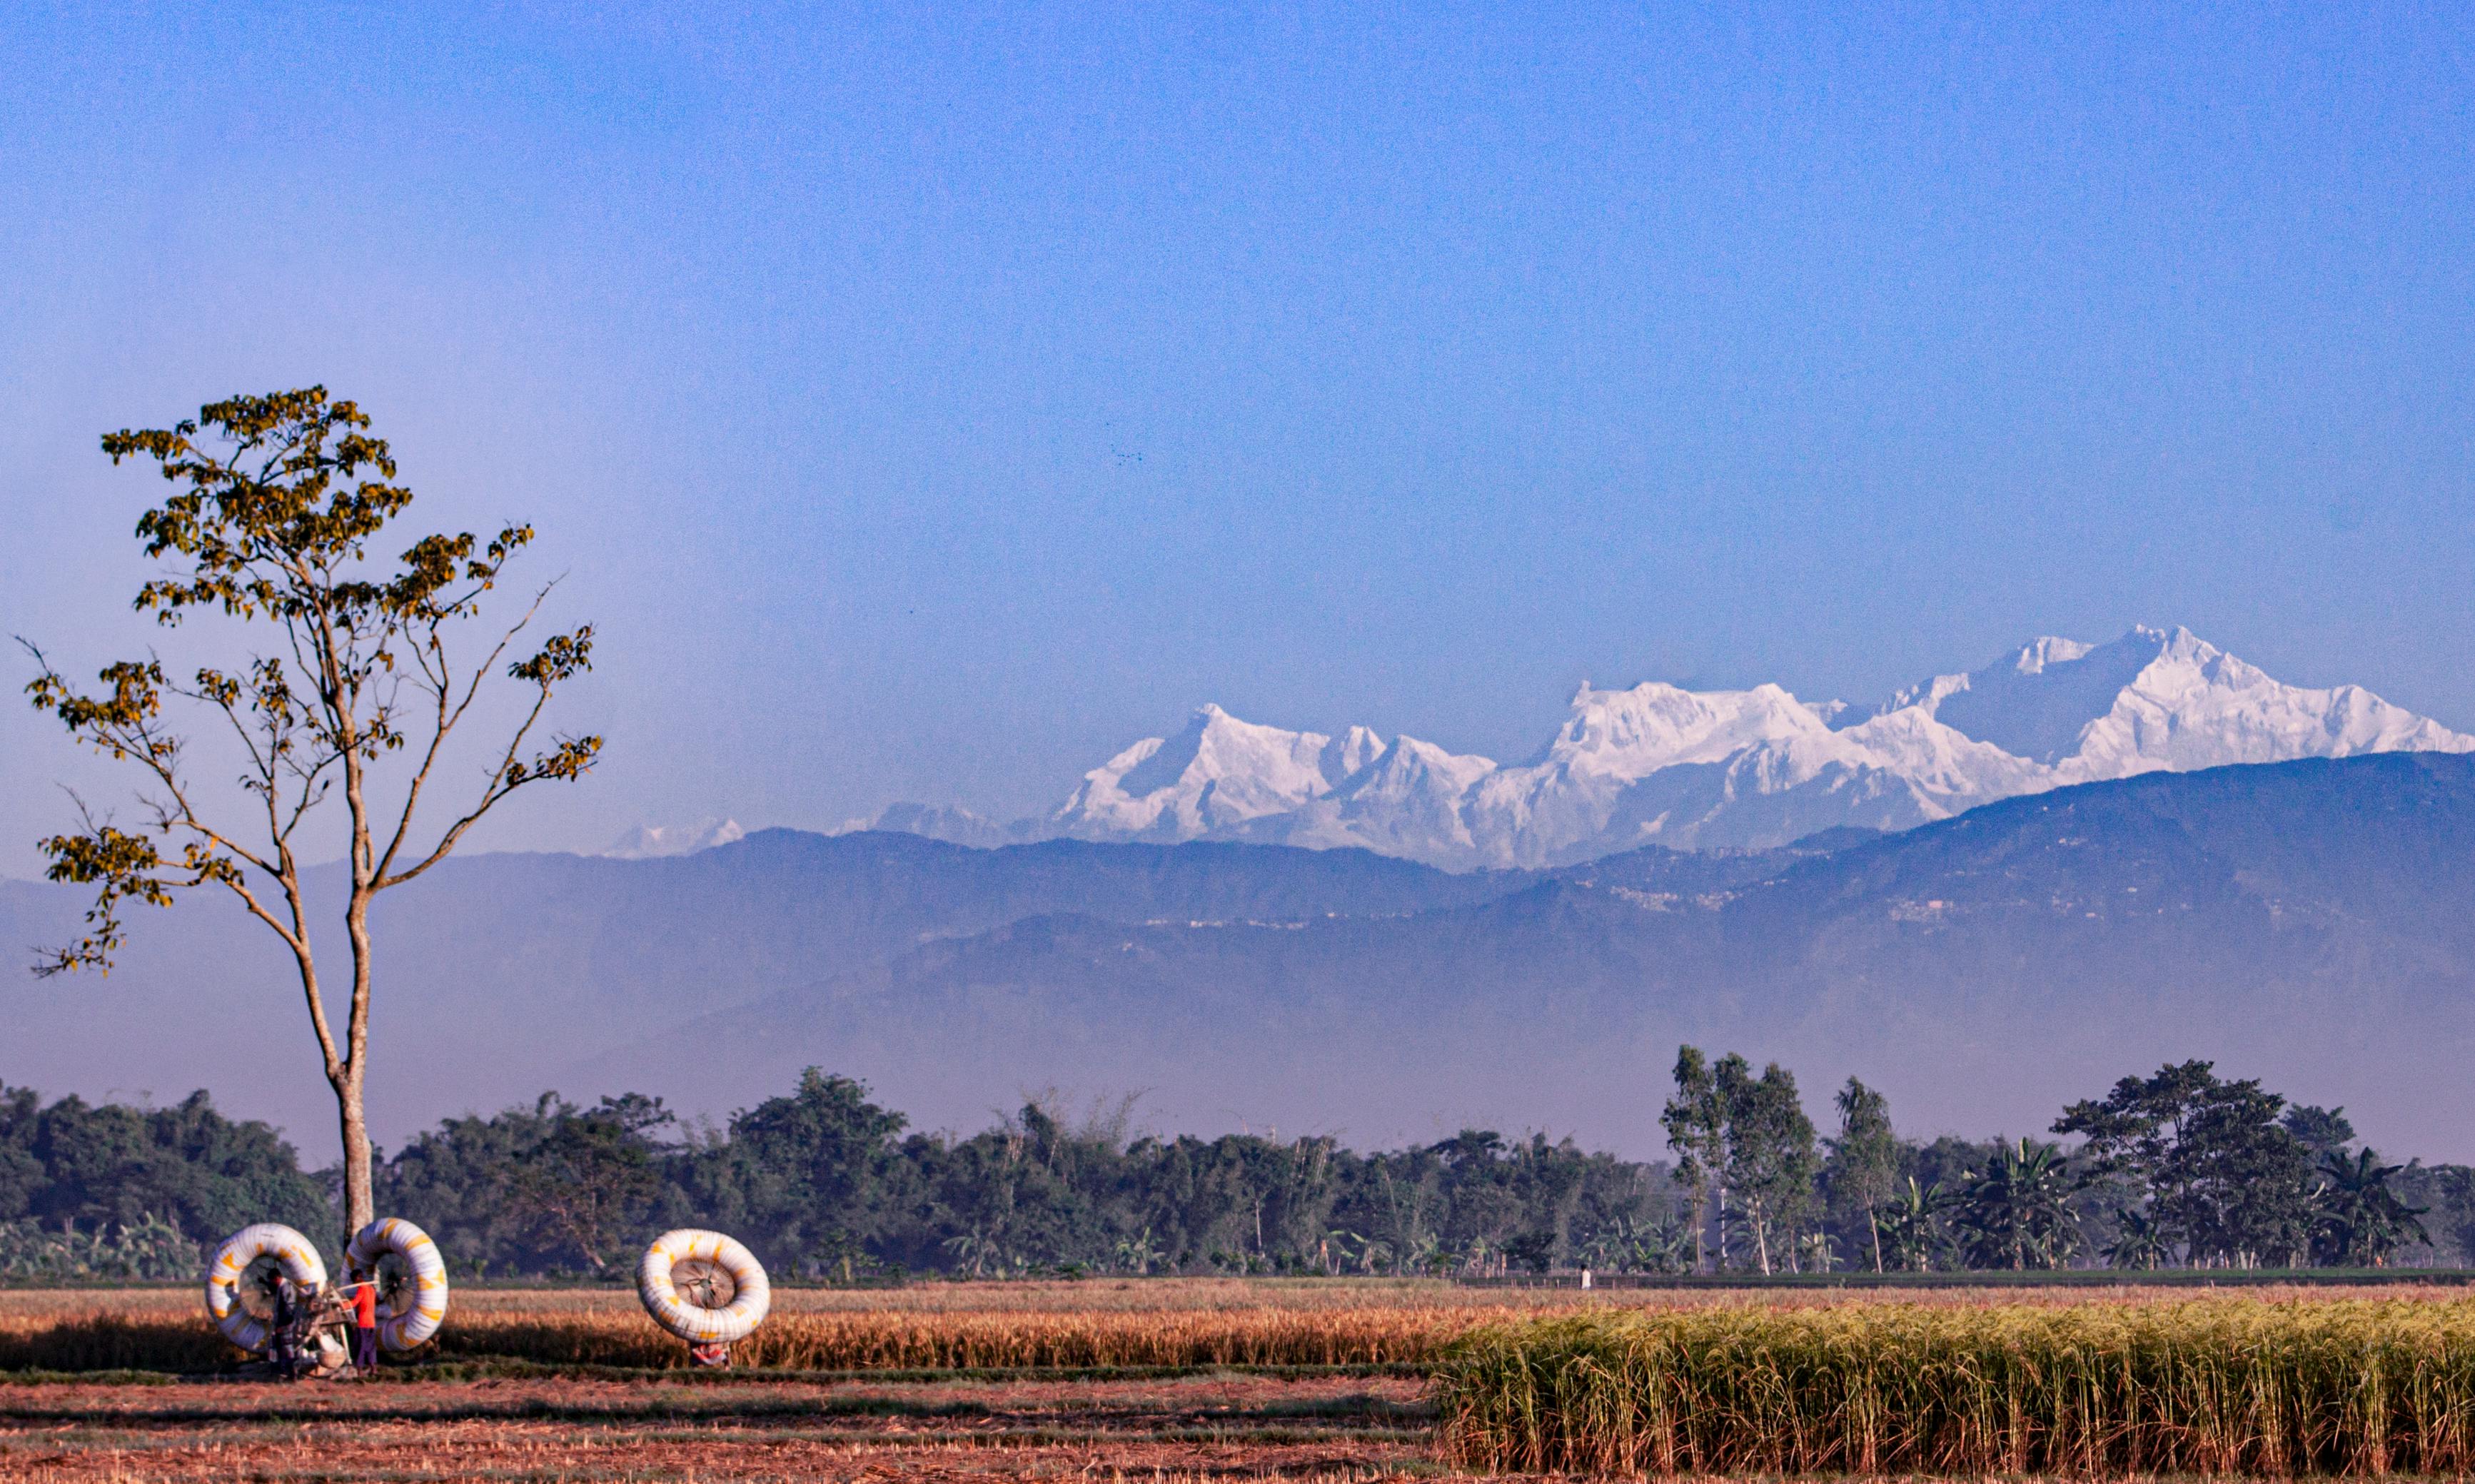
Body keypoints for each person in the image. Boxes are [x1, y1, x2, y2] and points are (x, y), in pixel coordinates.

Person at [337, 1271, 380, 1376]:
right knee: (371, 1346)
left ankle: (360, 1370)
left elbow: (355, 1302)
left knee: (360, 1345)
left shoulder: (362, 1289)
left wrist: (342, 1305)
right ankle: (373, 1368)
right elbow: (377, 1301)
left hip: (363, 1322)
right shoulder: (371, 1289)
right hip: (371, 1322)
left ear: (357, 1278)